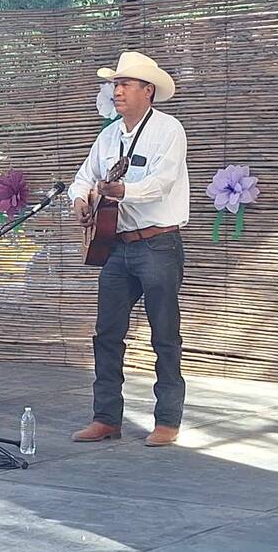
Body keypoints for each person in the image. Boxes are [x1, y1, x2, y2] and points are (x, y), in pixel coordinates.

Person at [68, 51, 189, 447]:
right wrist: (81, 200)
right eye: (115, 85)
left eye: (124, 84)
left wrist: (123, 190)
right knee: (107, 333)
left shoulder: (168, 130)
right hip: (117, 246)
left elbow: (161, 184)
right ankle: (106, 418)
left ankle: (167, 420)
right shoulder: (108, 135)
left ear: (147, 90)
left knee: (164, 334)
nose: (116, 91)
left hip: (158, 243)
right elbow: (83, 178)